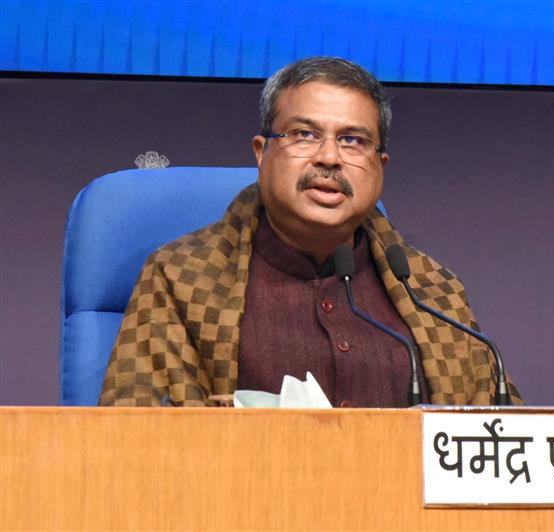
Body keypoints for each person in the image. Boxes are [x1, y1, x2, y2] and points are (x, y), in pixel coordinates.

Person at [100, 56, 522, 407]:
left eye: (353, 141)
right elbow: (139, 437)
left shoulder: (433, 292)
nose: (329, 158)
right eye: (305, 134)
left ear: (380, 168)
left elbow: (501, 441)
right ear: (262, 153)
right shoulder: (180, 278)